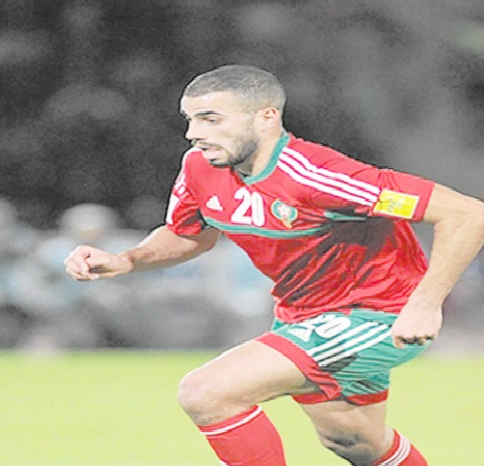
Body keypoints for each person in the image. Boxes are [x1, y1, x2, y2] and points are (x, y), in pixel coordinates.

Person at [64, 65, 484, 466]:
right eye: (190, 120)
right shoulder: (200, 168)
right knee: (354, 439)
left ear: (266, 117)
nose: (194, 133)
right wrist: (124, 260)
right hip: (301, 317)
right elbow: (189, 235)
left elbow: (467, 215)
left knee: (207, 392)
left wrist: (425, 304)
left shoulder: (318, 175)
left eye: (211, 119)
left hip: (377, 315)